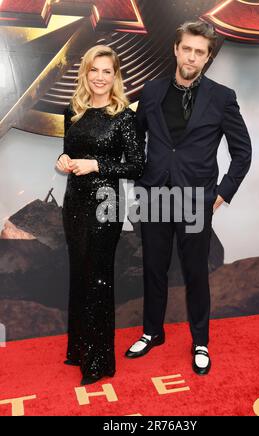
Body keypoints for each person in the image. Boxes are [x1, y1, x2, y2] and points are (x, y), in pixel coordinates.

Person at [125, 21, 252, 375]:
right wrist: (141, 181)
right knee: (153, 269)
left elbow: (243, 152)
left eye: (200, 52)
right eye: (187, 49)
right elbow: (136, 143)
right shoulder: (150, 92)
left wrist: (222, 193)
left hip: (197, 199)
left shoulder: (222, 97)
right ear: (176, 50)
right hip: (154, 196)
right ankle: (152, 332)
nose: (192, 57)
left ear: (207, 58)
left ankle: (200, 341)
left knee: (196, 272)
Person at [56, 45, 145, 386]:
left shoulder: (123, 116)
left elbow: (138, 165)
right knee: (79, 274)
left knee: (98, 279)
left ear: (115, 76)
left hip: (106, 203)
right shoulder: (73, 111)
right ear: (86, 73)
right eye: (94, 70)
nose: (99, 77)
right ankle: (78, 348)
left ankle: (98, 361)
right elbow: (68, 152)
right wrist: (62, 162)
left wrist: (98, 165)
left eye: (107, 71)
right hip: (74, 203)